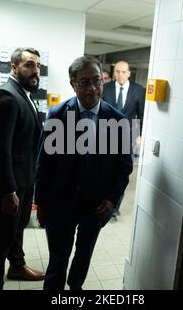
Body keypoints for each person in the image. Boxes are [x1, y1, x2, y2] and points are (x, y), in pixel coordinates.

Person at [35, 56, 133, 290]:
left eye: (97, 81)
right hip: (61, 204)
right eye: (84, 82)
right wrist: (41, 204)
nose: (92, 88)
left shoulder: (118, 120)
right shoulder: (57, 115)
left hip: (96, 205)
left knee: (83, 256)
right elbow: (44, 165)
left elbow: (124, 167)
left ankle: (75, 288)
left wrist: (112, 199)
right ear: (73, 85)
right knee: (58, 260)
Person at [0, 47, 45, 289]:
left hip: (25, 179)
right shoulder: (7, 96)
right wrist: (7, 190)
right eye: (29, 65)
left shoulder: (23, 94)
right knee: (3, 236)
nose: (36, 71)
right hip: (12, 185)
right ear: (14, 67)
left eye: (38, 67)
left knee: (17, 228)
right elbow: (1, 149)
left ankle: (17, 266)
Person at [102, 60, 146, 217]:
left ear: (129, 73)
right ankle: (103, 199)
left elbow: (142, 114)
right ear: (114, 73)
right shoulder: (105, 88)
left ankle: (114, 206)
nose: (120, 75)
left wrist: (140, 134)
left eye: (123, 72)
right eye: (118, 71)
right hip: (105, 136)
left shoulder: (138, 90)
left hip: (127, 136)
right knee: (104, 169)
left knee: (122, 171)